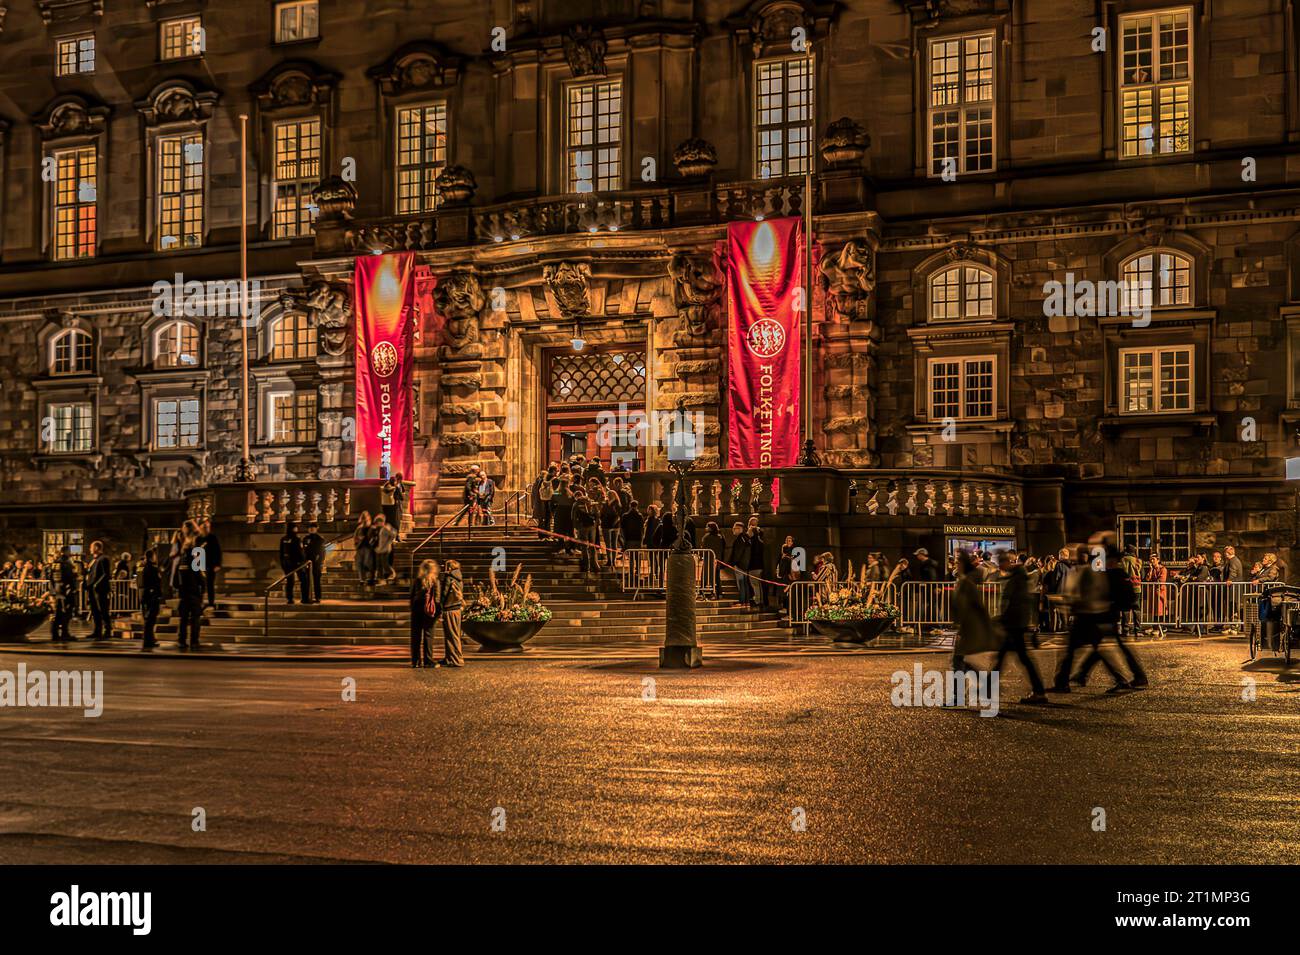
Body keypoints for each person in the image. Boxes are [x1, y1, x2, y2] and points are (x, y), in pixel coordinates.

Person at [1074, 536, 1148, 690]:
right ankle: (1083, 674)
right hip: (1110, 614)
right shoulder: (1115, 573)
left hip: (1109, 614)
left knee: (1103, 647)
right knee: (1103, 646)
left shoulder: (1114, 574)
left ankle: (1131, 678)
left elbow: (1110, 594)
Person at [992, 550, 1048, 703]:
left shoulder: (1016, 579)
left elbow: (1013, 603)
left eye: (1001, 564)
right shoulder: (1018, 577)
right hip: (1016, 623)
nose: (1000, 567)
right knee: (1006, 657)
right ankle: (1038, 691)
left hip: (1014, 624)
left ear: (1005, 563)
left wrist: (1001, 619)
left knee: (1014, 658)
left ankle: (1039, 692)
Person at [952, 550, 997, 676]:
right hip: (966, 627)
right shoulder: (963, 581)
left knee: (958, 661)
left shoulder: (967, 584)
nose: (956, 565)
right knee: (960, 661)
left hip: (968, 628)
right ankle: (984, 684)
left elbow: (978, 607)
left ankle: (960, 693)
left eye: (958, 563)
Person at [175, 531, 206, 650]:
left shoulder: (181, 562)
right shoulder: (195, 562)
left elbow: (176, 581)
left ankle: (181, 641)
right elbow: (200, 578)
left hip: (183, 595)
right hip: (193, 594)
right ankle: (194, 641)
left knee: (183, 620)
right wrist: (202, 590)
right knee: (195, 619)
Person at [409, 559, 440, 668]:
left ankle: (415, 661)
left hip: (417, 610)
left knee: (416, 636)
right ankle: (428, 660)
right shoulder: (435, 581)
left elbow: (411, 596)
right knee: (428, 636)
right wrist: (437, 614)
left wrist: (412, 609)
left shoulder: (417, 580)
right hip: (429, 612)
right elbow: (437, 599)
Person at [435, 559, 464, 668]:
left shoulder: (449, 578)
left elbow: (444, 594)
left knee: (451, 635)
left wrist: (440, 607)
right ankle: (449, 658)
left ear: (449, 567)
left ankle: (456, 660)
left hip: (449, 609)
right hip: (456, 609)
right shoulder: (459, 577)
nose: (443, 568)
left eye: (445, 566)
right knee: (452, 634)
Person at [85, 540, 111, 640]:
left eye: (91, 547)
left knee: (103, 610)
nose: (90, 549)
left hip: (100, 589)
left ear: (96, 548)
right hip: (92, 589)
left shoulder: (103, 559)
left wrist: (96, 584)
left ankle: (107, 630)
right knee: (95, 611)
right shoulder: (94, 560)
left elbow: (105, 574)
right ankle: (97, 631)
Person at [50, 547, 77, 643]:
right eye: (69, 551)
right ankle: (65, 633)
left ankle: (55, 633)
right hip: (66, 590)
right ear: (65, 552)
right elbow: (70, 577)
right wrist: (73, 588)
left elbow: (51, 578)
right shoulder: (66, 563)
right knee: (66, 612)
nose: (70, 553)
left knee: (58, 612)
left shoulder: (55, 563)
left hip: (58, 590)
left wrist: (55, 590)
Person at [139, 550, 163, 650]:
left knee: (149, 620)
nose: (156, 557)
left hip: (147, 596)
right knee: (150, 620)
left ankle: (150, 640)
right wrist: (158, 595)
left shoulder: (146, 568)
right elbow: (156, 583)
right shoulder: (152, 569)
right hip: (152, 597)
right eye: (154, 556)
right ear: (151, 557)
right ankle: (148, 641)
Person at [278, 522, 308, 604]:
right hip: (297, 563)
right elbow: (300, 552)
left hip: (286, 563)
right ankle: (305, 598)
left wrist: (282, 563)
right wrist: (303, 562)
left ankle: (290, 598)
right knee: (304, 580)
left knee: (290, 581)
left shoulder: (283, 539)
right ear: (294, 529)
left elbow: (281, 552)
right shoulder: (297, 538)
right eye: (296, 527)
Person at [199, 518, 223, 608]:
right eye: (204, 527)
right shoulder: (198, 538)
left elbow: (217, 551)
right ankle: (200, 602)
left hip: (210, 565)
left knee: (210, 585)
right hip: (200, 565)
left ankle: (211, 603)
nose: (206, 529)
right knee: (199, 585)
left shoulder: (212, 538)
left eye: (207, 527)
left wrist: (217, 564)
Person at [728, 521, 751, 606]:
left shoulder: (740, 539)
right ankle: (746, 601)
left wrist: (733, 563)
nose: (733, 530)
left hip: (740, 565)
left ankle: (742, 601)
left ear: (740, 529)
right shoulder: (746, 538)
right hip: (746, 564)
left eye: (734, 528)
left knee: (741, 583)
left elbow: (738, 553)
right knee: (745, 583)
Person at [745, 519, 767, 608]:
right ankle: (760, 600)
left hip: (753, 565)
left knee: (755, 584)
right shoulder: (760, 541)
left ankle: (758, 600)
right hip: (760, 565)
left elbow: (750, 554)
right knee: (758, 584)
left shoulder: (751, 542)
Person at [302, 523, 326, 604]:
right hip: (307, 562)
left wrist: (320, 562)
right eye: (310, 527)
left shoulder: (320, 539)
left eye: (313, 527)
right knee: (306, 581)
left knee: (317, 580)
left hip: (316, 563)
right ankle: (307, 597)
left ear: (317, 528)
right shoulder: (305, 538)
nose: (311, 529)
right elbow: (303, 551)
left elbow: (322, 552)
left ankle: (317, 596)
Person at [353, 512, 375, 586]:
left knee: (367, 563)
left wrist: (371, 542)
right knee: (359, 564)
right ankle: (362, 580)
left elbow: (375, 538)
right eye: (363, 519)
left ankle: (370, 579)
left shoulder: (372, 528)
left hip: (368, 548)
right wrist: (358, 541)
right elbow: (355, 538)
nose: (365, 520)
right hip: (360, 547)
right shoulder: (359, 529)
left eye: (366, 518)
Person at [373, 515, 397, 581]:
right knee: (380, 564)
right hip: (381, 549)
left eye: (377, 523)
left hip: (385, 549)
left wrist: (389, 541)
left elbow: (393, 535)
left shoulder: (385, 528)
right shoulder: (382, 529)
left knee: (385, 564)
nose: (377, 525)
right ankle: (380, 577)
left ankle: (392, 573)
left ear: (381, 522)